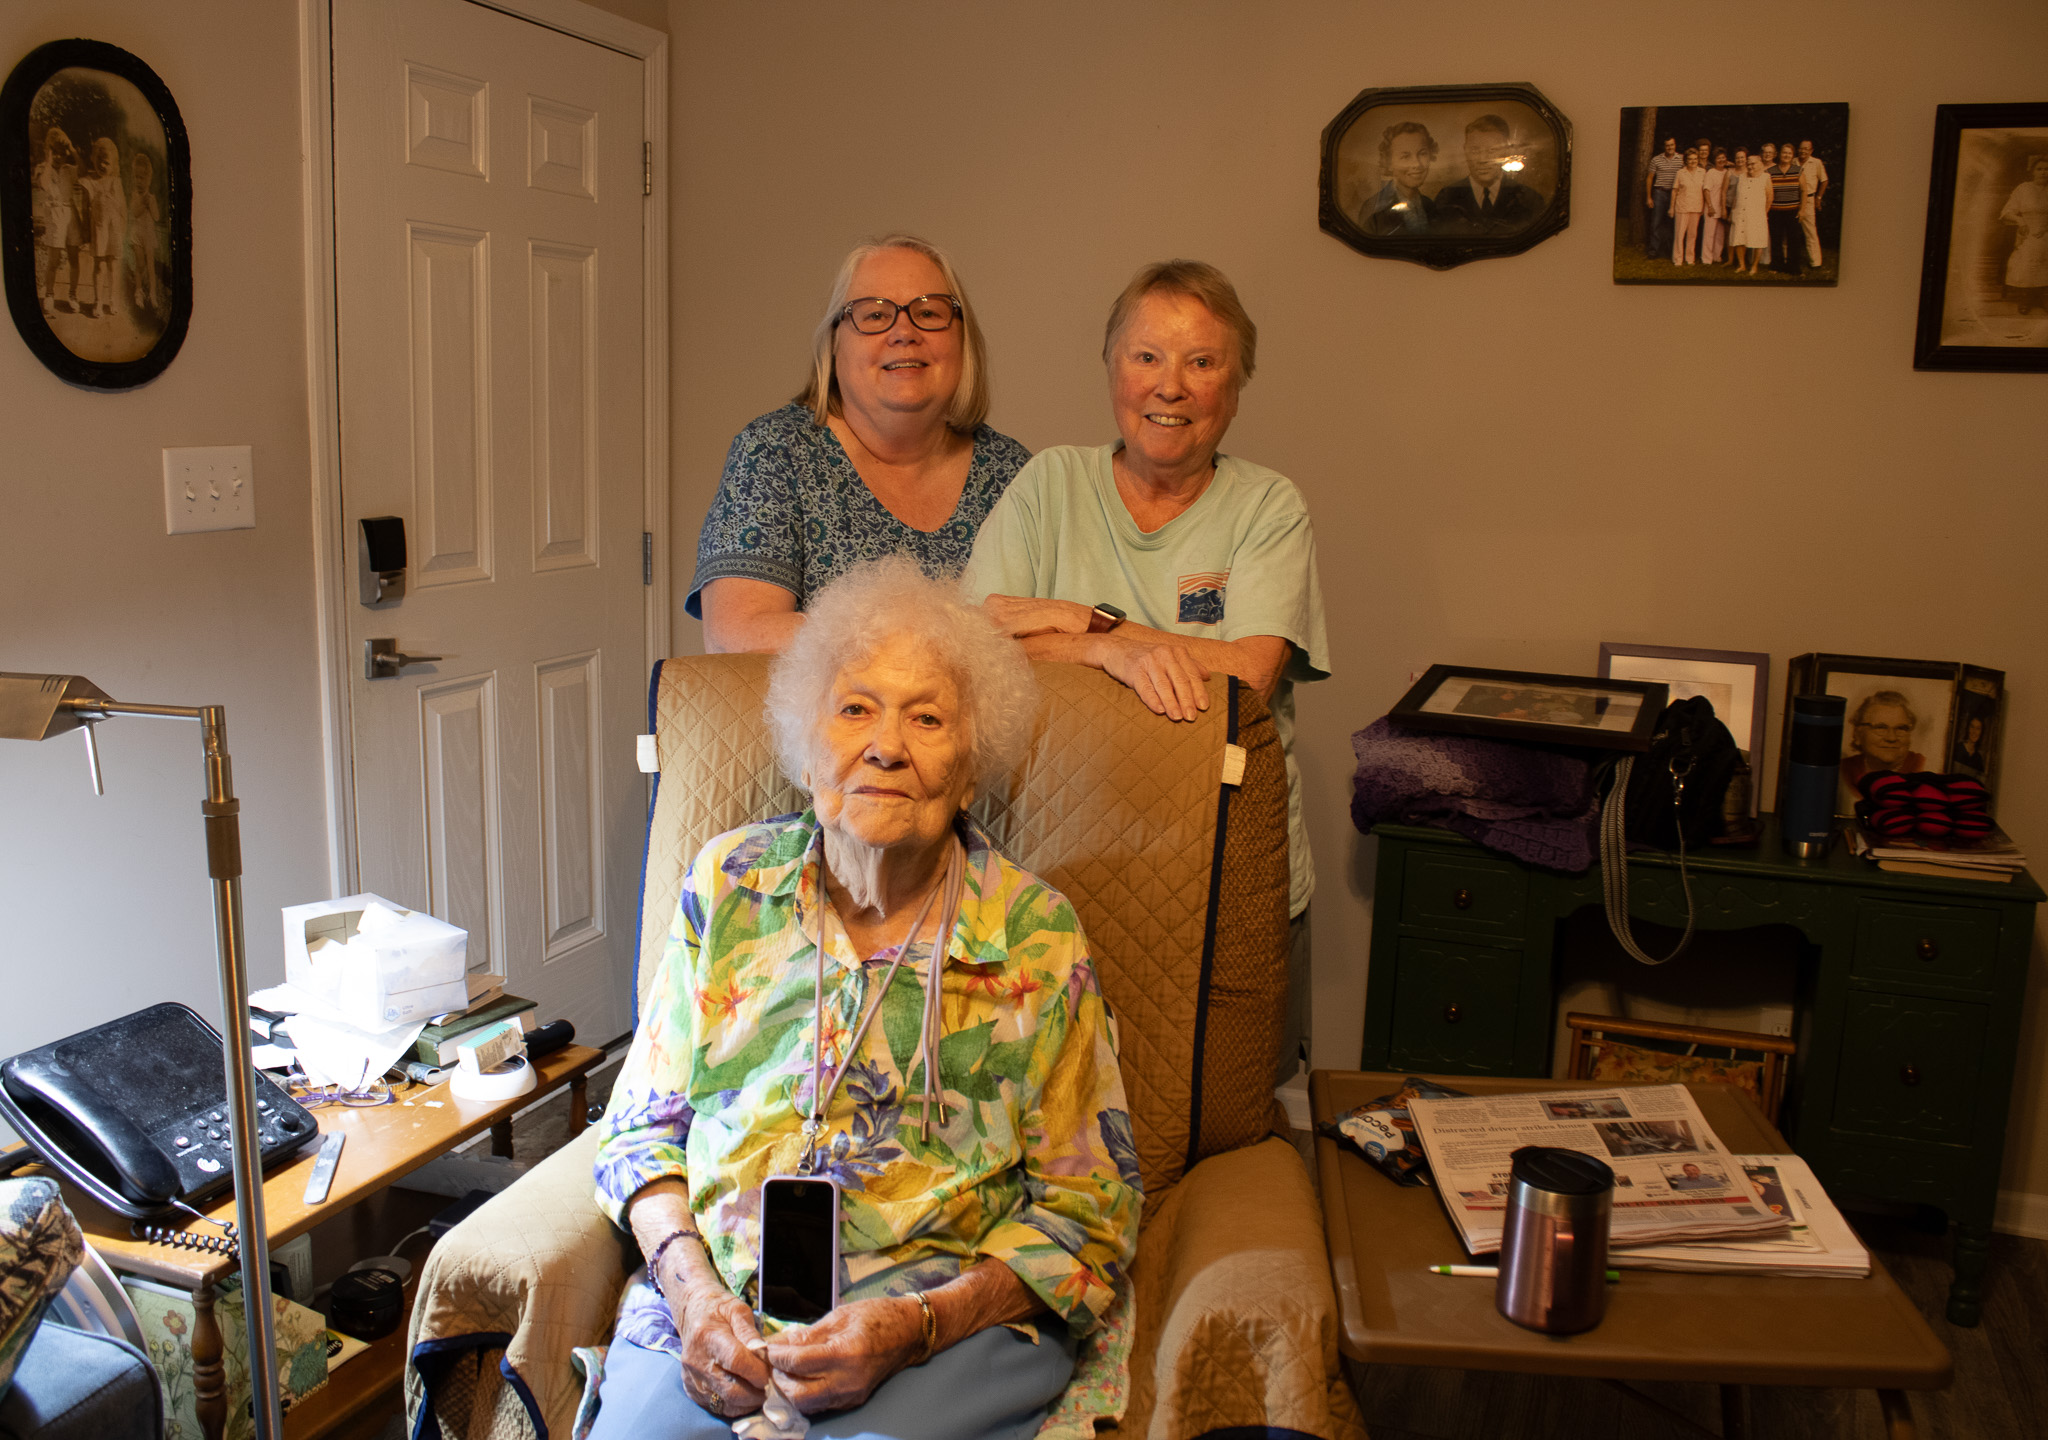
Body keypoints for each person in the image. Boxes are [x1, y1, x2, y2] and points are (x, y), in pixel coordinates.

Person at [589, 559, 1140, 1440]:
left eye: (926, 717)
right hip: (721, 1308)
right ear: (808, 752)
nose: (887, 744)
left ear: (971, 773)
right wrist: (692, 1297)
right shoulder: (727, 887)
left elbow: (1090, 1210)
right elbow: (639, 1134)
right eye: (856, 709)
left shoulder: (1035, 932)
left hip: (946, 1327)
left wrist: (916, 1328)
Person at [961, 260, 1329, 1085]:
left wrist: (1081, 619)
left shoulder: (1269, 509)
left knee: (1232, 1111)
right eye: (1146, 357)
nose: (1172, 386)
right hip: (1057, 865)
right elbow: (973, 643)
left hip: (1227, 868)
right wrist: (1107, 651)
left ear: (1236, 386)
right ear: (1111, 369)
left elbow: (1245, 674)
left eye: (1203, 362)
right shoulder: (1049, 482)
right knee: (1050, 1100)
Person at [689, 234, 1031, 653]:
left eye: (929, 312)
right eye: (873, 316)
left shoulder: (1014, 472)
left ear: (962, 339)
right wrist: (944, 635)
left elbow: (1046, 637)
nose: (904, 332)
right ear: (835, 343)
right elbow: (737, 637)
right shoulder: (774, 452)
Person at [1433, 114, 1547, 233]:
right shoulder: (1447, 198)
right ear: (1465, 150)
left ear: (1506, 152)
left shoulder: (1529, 199)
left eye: (1492, 150)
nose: (1483, 159)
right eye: (1475, 150)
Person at [31, 126, 81, 317]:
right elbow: (42, 185)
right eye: (55, 153)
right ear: (49, 152)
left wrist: (73, 150)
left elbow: (83, 171)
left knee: (74, 257)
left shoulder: (69, 169)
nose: (59, 157)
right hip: (54, 216)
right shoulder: (44, 169)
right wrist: (48, 160)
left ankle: (73, 295)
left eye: (62, 153)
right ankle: (49, 294)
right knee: (54, 258)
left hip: (70, 216)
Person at [1839, 691, 1927, 796]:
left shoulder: (1921, 768)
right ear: (1858, 734)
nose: (1891, 738)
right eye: (1880, 727)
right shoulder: (1844, 769)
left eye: (1900, 728)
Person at [76, 137, 127, 320]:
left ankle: (112, 299)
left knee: (113, 265)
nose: (103, 165)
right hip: (98, 230)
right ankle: (98, 300)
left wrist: (122, 229)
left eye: (107, 162)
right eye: (99, 161)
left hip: (113, 230)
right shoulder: (89, 182)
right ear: (93, 160)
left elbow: (122, 208)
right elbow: (84, 209)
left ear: (113, 164)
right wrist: (85, 233)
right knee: (99, 266)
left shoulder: (115, 181)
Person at [1359, 120, 1438, 235]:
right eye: (1405, 156)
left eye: (1422, 153)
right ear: (1389, 163)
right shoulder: (1374, 208)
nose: (1416, 164)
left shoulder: (1430, 206)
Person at [1999, 155, 2048, 314]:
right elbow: (2007, 212)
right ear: (2032, 171)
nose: (2043, 173)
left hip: (2046, 231)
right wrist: (2021, 222)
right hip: (2027, 232)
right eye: (2039, 169)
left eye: (2047, 169)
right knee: (2028, 253)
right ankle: (2026, 297)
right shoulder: (2023, 189)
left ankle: (2043, 295)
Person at [128, 150, 162, 313]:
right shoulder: (135, 195)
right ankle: (138, 291)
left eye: (142, 178)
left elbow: (156, 217)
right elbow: (135, 212)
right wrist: (144, 204)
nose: (139, 181)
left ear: (149, 179)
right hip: (137, 234)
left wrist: (151, 204)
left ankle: (152, 294)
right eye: (136, 177)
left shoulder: (151, 197)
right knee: (140, 263)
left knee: (150, 266)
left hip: (148, 234)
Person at [1731, 154, 1772, 275]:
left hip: (1757, 214)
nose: (1750, 166)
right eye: (1748, 164)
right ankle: (1742, 265)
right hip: (1741, 213)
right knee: (1739, 238)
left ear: (1760, 164)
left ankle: (1754, 266)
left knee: (1757, 240)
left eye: (1753, 163)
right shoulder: (1742, 176)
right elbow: (1736, 196)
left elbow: (1770, 197)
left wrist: (1764, 213)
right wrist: (1733, 211)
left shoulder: (1765, 177)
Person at [1767, 141, 1805, 276]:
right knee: (1776, 239)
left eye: (1789, 153)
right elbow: (1766, 192)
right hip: (1775, 211)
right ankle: (1777, 266)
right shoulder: (1770, 171)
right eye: (1784, 152)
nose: (1786, 155)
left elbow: (1804, 191)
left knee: (1794, 240)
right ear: (1779, 154)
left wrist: (1802, 210)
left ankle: (1794, 267)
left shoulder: (1798, 170)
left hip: (1793, 210)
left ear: (1793, 155)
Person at [1644, 136, 1684, 258]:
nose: (1670, 147)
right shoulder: (1656, 160)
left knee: (1673, 223)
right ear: (1664, 146)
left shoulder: (1681, 159)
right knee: (1656, 222)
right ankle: (1653, 250)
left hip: (1675, 194)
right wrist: (1649, 197)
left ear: (1675, 145)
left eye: (1672, 145)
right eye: (1667, 145)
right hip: (1659, 193)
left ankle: (1670, 250)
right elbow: (1650, 178)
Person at [1670, 150, 1709, 265]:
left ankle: (1690, 258)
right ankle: (1678, 258)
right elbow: (1674, 190)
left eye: (1695, 159)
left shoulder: (1703, 172)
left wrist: (1704, 207)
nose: (1693, 161)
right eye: (1690, 159)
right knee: (1679, 234)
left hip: (1696, 207)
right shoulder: (1680, 173)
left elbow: (1705, 190)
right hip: (1682, 207)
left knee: (1692, 235)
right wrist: (1671, 207)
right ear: (1686, 160)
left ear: (1698, 160)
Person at [1796, 140, 1830, 268]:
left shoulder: (1816, 163)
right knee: (1788, 231)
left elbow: (1824, 180)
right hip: (1793, 199)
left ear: (1811, 150)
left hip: (1809, 200)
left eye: (1806, 149)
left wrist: (1819, 198)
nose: (1803, 151)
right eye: (1801, 148)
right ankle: (1787, 258)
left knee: (1810, 231)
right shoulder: (1793, 161)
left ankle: (1815, 262)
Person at [1700, 150, 1731, 265]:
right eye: (1718, 158)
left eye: (1723, 158)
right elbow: (1706, 190)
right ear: (1714, 160)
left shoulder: (1728, 172)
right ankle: (1706, 259)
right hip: (1711, 207)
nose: (1721, 160)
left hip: (1723, 207)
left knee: (1720, 234)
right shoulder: (1711, 172)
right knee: (1709, 234)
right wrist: (1710, 206)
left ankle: (1716, 256)